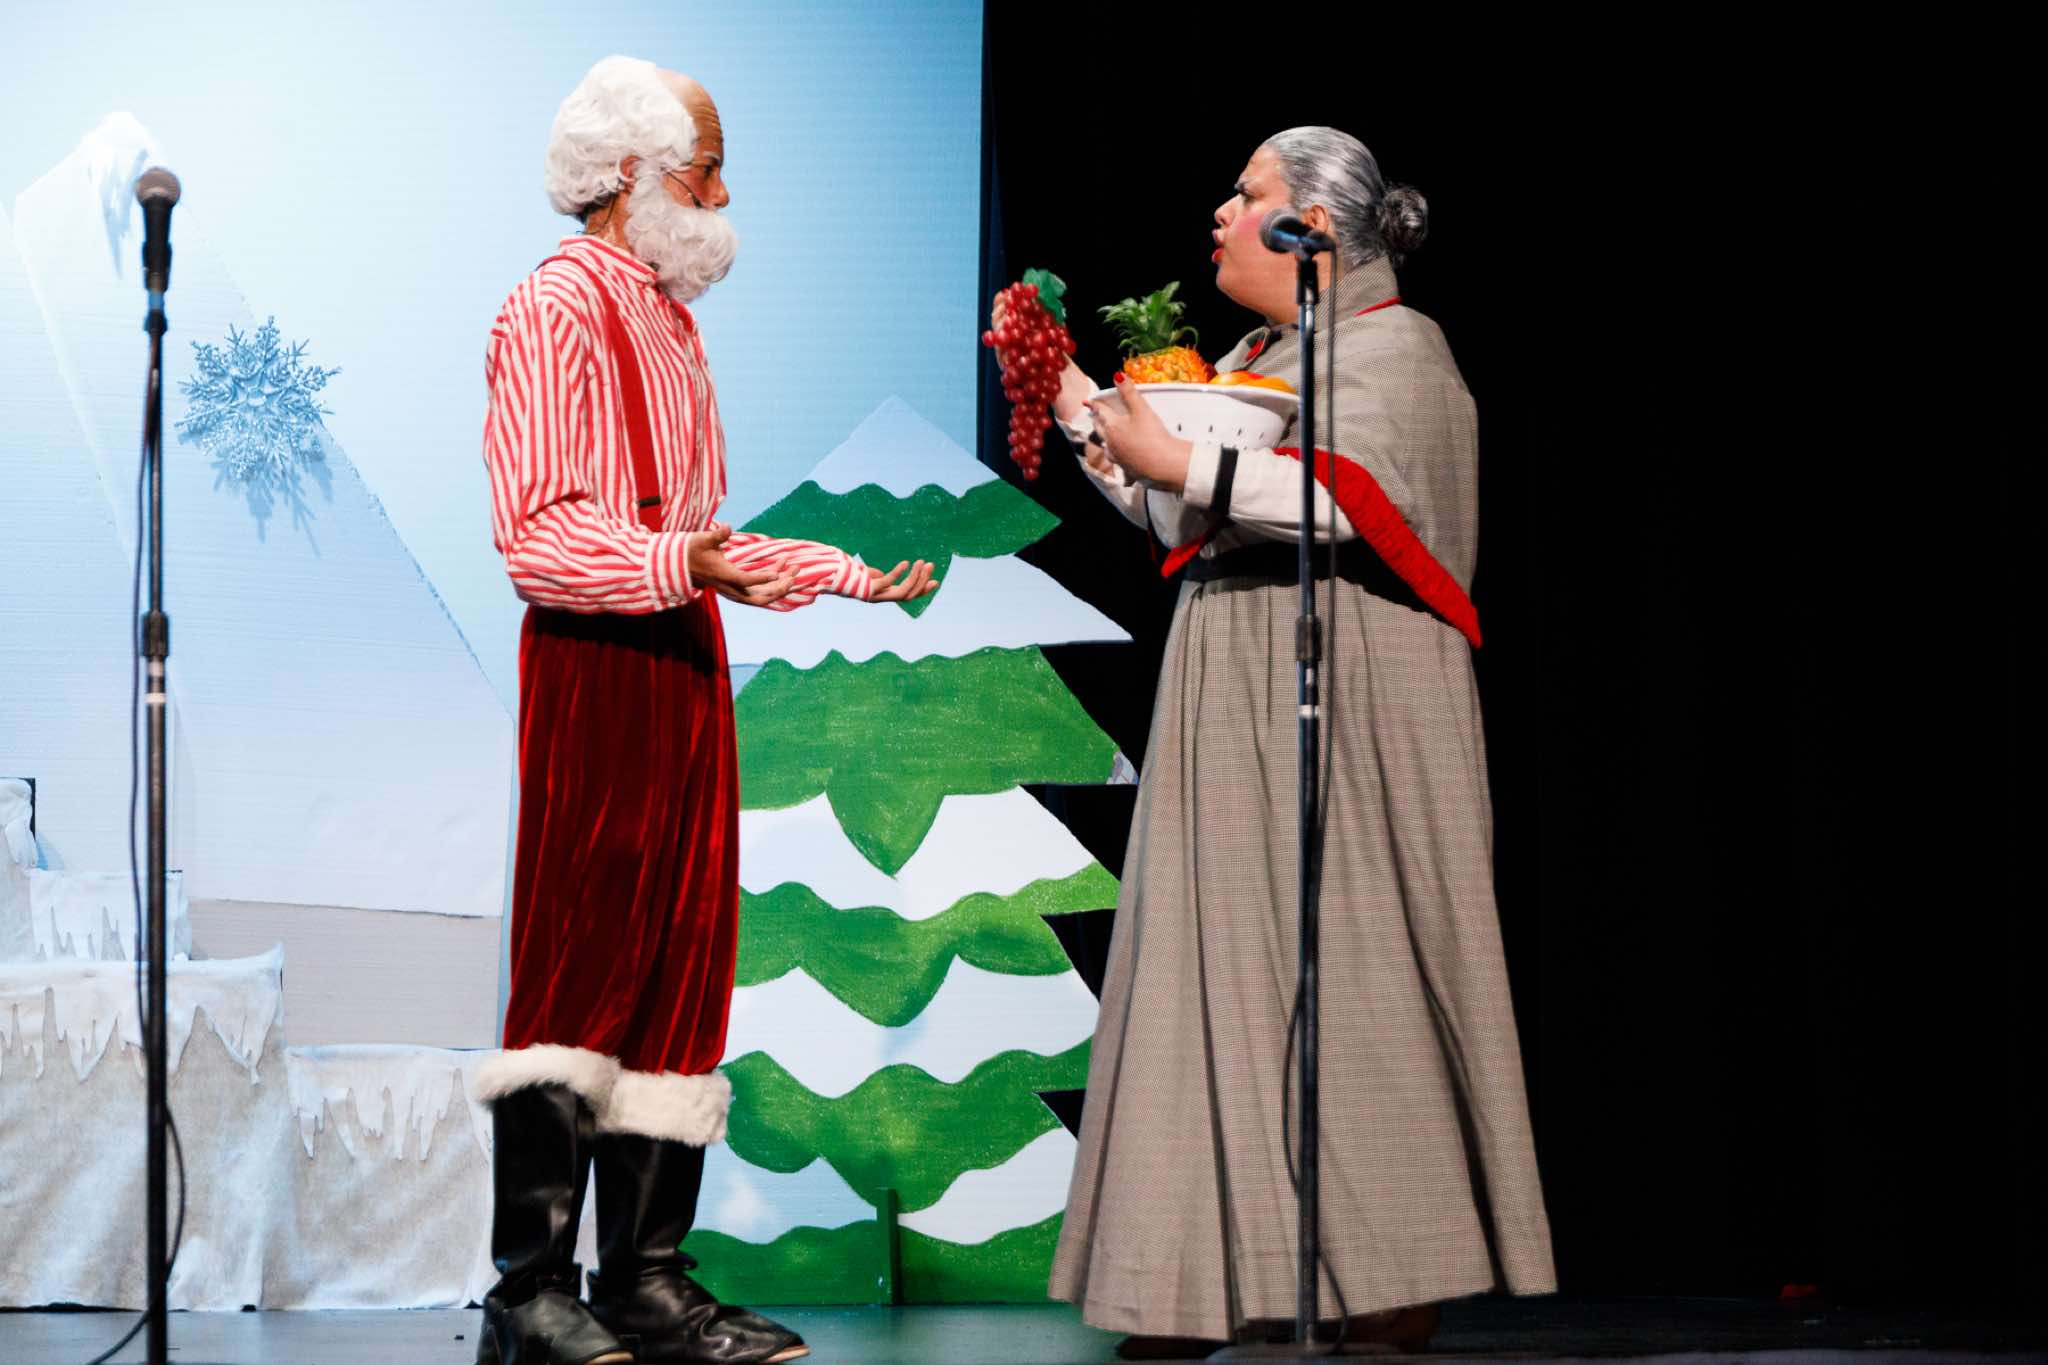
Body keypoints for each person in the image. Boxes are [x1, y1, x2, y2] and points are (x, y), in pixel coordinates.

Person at [1021, 127, 1557, 1355]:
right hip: (1228, 675)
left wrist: (1178, 456)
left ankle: (1388, 1277)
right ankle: (1199, 1280)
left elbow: (1346, 498)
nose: (1219, 213)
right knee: (1209, 967)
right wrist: (1084, 411)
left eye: (1244, 194)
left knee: (1355, 971)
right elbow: (1177, 507)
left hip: (1353, 688)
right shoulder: (1247, 361)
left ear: (1306, 226)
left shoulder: (1395, 348)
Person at [473, 56, 936, 1365]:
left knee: (679, 957)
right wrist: (684, 563)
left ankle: (643, 1278)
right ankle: (528, 1290)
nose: (722, 197)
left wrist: (838, 571)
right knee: (582, 957)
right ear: (629, 175)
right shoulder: (554, 308)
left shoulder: (670, 320)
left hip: (679, 649)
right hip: (596, 658)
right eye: (704, 171)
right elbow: (540, 536)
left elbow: (698, 535)